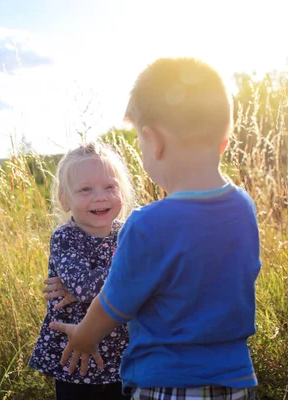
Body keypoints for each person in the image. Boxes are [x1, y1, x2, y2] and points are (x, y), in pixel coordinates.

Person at [50, 58, 261, 400]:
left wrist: (84, 336)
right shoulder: (243, 207)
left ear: (154, 141)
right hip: (237, 381)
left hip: (166, 382)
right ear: (224, 142)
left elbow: (114, 303)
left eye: (139, 141)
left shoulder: (147, 223)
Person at [29, 141, 135, 400]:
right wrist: (125, 277)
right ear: (65, 200)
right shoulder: (66, 237)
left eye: (110, 186)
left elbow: (145, 277)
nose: (100, 196)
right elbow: (84, 286)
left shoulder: (129, 233)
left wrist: (83, 288)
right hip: (76, 354)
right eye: (86, 189)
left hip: (120, 350)